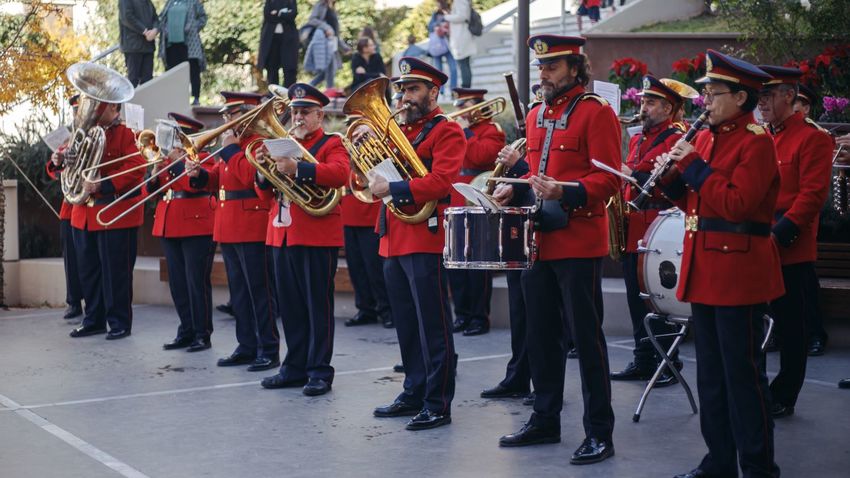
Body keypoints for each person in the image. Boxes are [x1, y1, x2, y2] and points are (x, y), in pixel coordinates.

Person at [493, 35, 619, 465]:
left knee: (586, 339)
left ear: (574, 68)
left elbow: (610, 181)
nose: (542, 74)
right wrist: (517, 190)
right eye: (540, 66)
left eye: (551, 67)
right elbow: (536, 175)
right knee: (541, 336)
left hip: (578, 242)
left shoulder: (595, 113)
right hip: (537, 240)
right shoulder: (534, 115)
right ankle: (544, 419)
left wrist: (566, 190)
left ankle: (600, 432)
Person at [658, 49, 783, 478]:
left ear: (742, 98)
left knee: (742, 379)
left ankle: (758, 466)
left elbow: (737, 204)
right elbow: (697, 204)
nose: (705, 101)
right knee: (711, 378)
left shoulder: (757, 142)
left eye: (714, 93)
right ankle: (718, 461)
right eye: (706, 93)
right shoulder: (707, 138)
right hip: (704, 271)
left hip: (738, 275)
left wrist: (691, 167)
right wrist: (671, 182)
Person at [356, 57, 465, 431]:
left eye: (413, 89)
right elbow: (372, 175)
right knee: (405, 323)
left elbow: (442, 181)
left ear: (434, 92)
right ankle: (414, 389)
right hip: (394, 236)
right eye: (402, 89)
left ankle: (438, 402)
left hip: (426, 237)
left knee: (433, 325)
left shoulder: (445, 130)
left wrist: (397, 187)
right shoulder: (398, 130)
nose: (404, 96)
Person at [256, 84, 348, 397]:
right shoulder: (284, 143)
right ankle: (293, 367)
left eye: (305, 112)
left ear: (320, 115)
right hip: (281, 233)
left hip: (315, 235)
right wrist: (262, 171)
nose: (298, 117)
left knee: (316, 307)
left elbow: (339, 174)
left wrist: (299, 168)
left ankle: (320, 371)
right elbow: (265, 192)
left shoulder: (331, 143)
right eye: (295, 111)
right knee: (291, 306)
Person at [758, 65, 833, 419]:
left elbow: (813, 196)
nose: (762, 103)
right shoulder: (761, 136)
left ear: (790, 96)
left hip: (788, 247)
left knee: (791, 328)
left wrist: (778, 234)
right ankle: (756, 386)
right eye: (759, 96)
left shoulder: (812, 137)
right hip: (755, 242)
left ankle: (785, 393)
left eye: (769, 95)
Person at [186, 91, 280, 372]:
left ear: (249, 114)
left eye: (233, 114)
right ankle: (247, 345)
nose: (227, 120)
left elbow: (252, 178)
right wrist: (200, 175)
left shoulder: (258, 143)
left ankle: (268, 348)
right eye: (225, 115)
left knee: (259, 291)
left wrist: (230, 149)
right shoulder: (232, 145)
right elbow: (219, 178)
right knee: (239, 292)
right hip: (227, 226)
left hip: (253, 225)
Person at [610, 75, 684, 387]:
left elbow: (670, 175)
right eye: (643, 100)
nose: (643, 107)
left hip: (659, 229)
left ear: (668, 108)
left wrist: (633, 173)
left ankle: (670, 362)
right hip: (635, 229)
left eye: (650, 102)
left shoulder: (675, 137)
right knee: (635, 299)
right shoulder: (639, 138)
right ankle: (643, 360)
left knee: (659, 301)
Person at [64, 101, 146, 340]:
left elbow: (137, 166)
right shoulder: (82, 135)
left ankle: (119, 322)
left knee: (115, 273)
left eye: (103, 107)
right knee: (88, 272)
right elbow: (71, 168)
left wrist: (104, 183)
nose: (96, 112)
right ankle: (93, 319)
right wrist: (66, 161)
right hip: (84, 215)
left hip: (113, 214)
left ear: (114, 109)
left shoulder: (125, 134)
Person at [150, 113, 217, 352]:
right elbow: (152, 190)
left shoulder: (203, 157)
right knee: (178, 282)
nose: (172, 143)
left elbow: (193, 184)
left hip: (196, 224)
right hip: (169, 222)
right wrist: (155, 170)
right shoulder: (167, 161)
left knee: (195, 281)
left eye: (176, 137)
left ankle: (202, 333)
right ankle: (186, 329)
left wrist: (176, 162)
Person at [479, 122, 533, 402]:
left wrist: (519, 165)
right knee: (519, 312)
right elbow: (522, 187)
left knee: (543, 316)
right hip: (519, 230)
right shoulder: (530, 139)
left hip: (543, 232)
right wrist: (507, 186)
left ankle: (546, 384)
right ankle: (517, 377)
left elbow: (543, 181)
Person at [447, 87, 506, 336]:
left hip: (477, 198)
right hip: (456, 197)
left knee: (477, 264)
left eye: (465, 106)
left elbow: (479, 156)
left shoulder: (493, 131)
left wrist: (467, 131)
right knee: (456, 264)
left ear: (479, 106)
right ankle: (461, 315)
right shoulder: (455, 130)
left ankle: (479, 318)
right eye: (459, 106)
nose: (460, 111)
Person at [341, 114, 392, 329]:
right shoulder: (345, 148)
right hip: (349, 212)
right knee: (356, 267)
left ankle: (387, 309)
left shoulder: (379, 148)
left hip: (370, 211)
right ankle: (365, 308)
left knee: (374, 267)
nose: (355, 134)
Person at [46, 94, 84, 322]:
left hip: (87, 206)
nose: (76, 115)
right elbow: (53, 171)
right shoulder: (68, 141)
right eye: (75, 111)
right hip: (69, 208)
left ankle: (92, 302)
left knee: (88, 259)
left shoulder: (92, 137)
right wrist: (56, 160)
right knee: (71, 259)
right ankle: (73, 301)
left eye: (80, 110)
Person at [158, 0, 207, 105]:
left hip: (190, 43)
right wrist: (165, 29)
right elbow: (161, 18)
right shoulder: (170, 2)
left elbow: (203, 18)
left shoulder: (193, 2)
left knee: (193, 69)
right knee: (173, 72)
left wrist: (193, 26)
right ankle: (174, 99)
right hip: (171, 45)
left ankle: (196, 98)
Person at [304, 0, 344, 92]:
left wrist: (343, 47)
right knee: (330, 67)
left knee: (328, 70)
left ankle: (309, 87)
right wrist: (326, 27)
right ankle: (329, 89)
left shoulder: (332, 7)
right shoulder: (321, 5)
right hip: (323, 41)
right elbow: (312, 19)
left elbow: (336, 32)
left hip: (332, 42)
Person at [258, 0, 299, 88]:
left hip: (288, 40)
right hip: (272, 40)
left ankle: (289, 94)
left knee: (289, 68)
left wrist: (278, 13)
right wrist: (284, 14)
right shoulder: (270, 1)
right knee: (272, 67)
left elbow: (293, 15)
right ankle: (273, 95)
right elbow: (268, 15)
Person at [118, 0, 159, 87]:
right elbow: (127, 17)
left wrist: (155, 30)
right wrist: (144, 31)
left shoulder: (148, 2)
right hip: (133, 47)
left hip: (148, 47)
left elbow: (155, 18)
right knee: (133, 81)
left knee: (148, 82)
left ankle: (147, 101)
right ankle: (132, 101)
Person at [443, 0, 476, 89]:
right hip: (461, 36)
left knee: (463, 64)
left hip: (461, 36)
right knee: (464, 64)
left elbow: (462, 16)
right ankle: (466, 87)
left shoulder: (460, 0)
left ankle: (466, 87)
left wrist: (446, 17)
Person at [428, 12, 457, 96]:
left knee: (453, 69)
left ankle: (453, 89)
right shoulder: (433, 22)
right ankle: (441, 90)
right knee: (438, 71)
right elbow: (430, 28)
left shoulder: (447, 19)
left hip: (446, 47)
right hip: (437, 49)